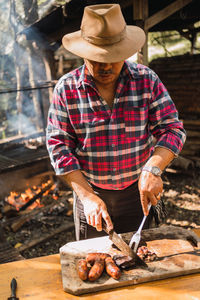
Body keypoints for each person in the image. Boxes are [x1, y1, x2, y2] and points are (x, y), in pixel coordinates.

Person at [46, 4, 186, 241]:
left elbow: (172, 129)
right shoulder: (66, 89)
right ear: (83, 52)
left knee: (144, 260)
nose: (106, 66)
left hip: (138, 195)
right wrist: (88, 197)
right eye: (97, 58)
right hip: (91, 196)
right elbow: (58, 147)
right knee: (96, 264)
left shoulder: (146, 80)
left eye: (113, 57)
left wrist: (154, 168)